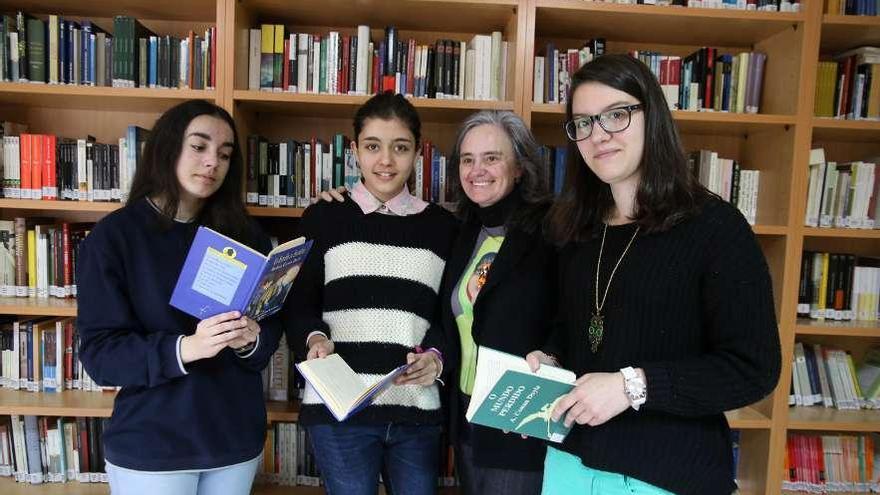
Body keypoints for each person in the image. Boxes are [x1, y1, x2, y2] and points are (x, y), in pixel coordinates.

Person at [526, 54, 781, 495]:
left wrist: (633, 386)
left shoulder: (715, 227)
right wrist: (549, 358)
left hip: (666, 474)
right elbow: (573, 329)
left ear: (652, 117)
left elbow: (754, 369)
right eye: (583, 122)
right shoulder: (577, 230)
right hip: (570, 462)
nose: (598, 135)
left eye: (616, 115)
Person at [77, 100, 282, 495]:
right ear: (168, 147)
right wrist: (187, 348)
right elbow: (102, 356)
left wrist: (250, 340)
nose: (212, 163)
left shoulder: (245, 236)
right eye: (199, 146)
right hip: (153, 444)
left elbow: (268, 336)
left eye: (224, 154)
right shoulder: (114, 238)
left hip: (233, 439)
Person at [283, 91, 458, 495]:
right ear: (355, 152)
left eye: (400, 147)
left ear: (417, 153)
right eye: (373, 146)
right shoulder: (324, 216)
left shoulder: (442, 228)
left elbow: (449, 317)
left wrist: (436, 357)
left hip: (415, 407)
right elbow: (299, 306)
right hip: (340, 408)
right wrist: (314, 339)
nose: (386, 161)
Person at [441, 110, 556, 494]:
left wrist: (551, 358)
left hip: (520, 419)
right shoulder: (464, 231)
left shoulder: (552, 230)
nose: (478, 170)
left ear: (520, 167)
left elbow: (571, 318)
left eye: (492, 158)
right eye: (468, 159)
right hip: (467, 416)